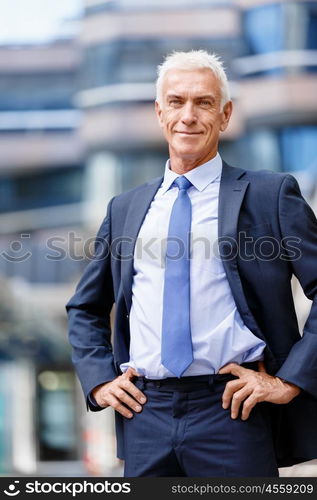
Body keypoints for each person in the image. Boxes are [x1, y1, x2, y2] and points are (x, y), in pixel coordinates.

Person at [66, 50, 317, 477]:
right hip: (144, 412)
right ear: (159, 111)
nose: (188, 115)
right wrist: (100, 379)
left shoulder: (270, 195)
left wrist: (289, 379)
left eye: (203, 103)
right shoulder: (125, 208)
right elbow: (86, 307)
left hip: (232, 409)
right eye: (177, 101)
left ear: (225, 115)